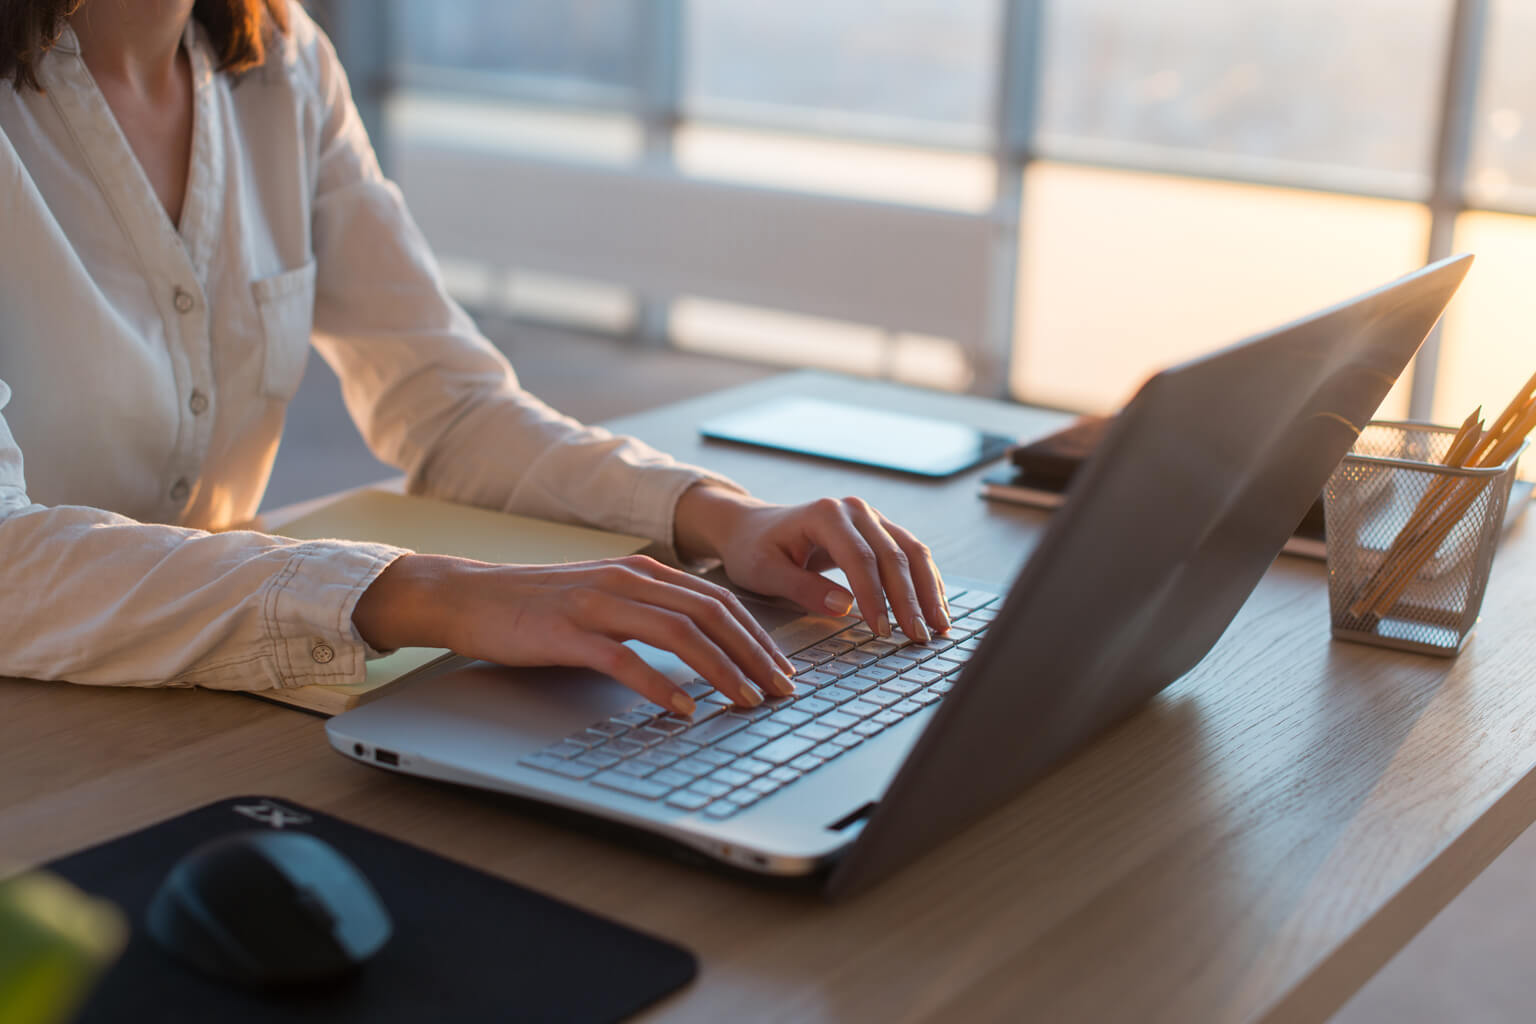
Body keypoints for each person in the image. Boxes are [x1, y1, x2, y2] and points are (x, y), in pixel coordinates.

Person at [0, 0, 950, 716]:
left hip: (209, 703)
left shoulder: (283, 64)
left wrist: (719, 516)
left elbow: (447, 405)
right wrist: (422, 592)